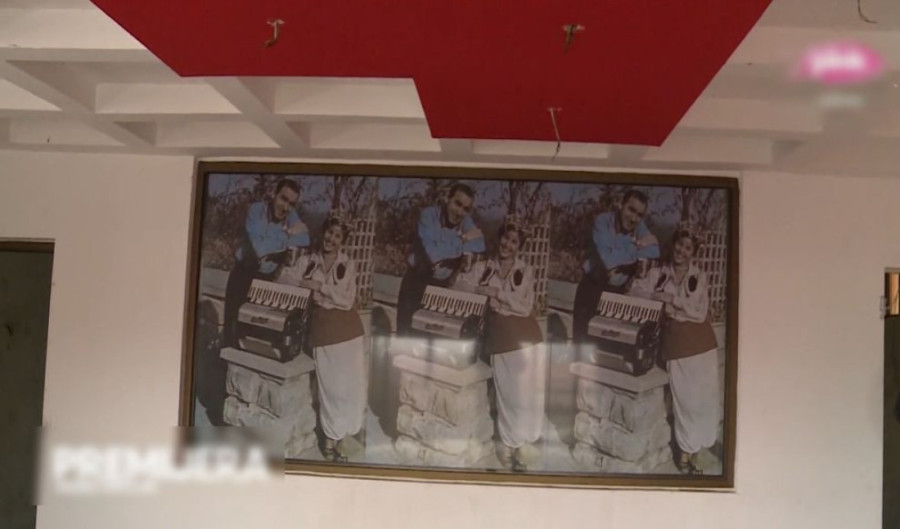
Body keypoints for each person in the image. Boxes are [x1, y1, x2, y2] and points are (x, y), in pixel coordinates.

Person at [455, 218, 545, 472]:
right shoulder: (484, 267)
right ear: (498, 239)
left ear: (519, 246)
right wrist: (476, 285)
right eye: (505, 238)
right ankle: (511, 446)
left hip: (529, 338)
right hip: (502, 338)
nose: (507, 244)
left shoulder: (525, 270)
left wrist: (497, 294)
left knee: (529, 395)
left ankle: (525, 447)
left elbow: (525, 307)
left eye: (514, 241)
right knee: (509, 397)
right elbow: (461, 286)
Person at [631, 224, 719, 475]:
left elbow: (699, 313)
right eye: (680, 244)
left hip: (703, 344)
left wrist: (672, 300)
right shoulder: (659, 273)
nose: (682, 251)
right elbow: (636, 291)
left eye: (688, 248)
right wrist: (656, 297)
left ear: (694, 252)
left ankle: (698, 451)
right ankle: (685, 454)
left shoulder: (698, 276)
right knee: (685, 402)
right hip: (677, 345)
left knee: (704, 401)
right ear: (673, 245)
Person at [279, 212, 365, 463]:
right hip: (323, 332)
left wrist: (321, 288)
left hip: (350, 332)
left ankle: (344, 438)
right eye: (329, 232)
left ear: (343, 241)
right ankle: (330, 440)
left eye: (337, 236)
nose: (331, 239)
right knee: (331, 390)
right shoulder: (308, 261)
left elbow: (347, 301)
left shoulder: (348, 264)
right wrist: (298, 278)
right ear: (322, 233)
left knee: (350, 388)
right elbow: (286, 280)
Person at [223, 178, 310, 348]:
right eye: (283, 199)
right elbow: (259, 249)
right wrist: (287, 234)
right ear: (273, 194)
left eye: (291, 204)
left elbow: (305, 238)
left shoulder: (290, 215)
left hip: (266, 280)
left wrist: (276, 239)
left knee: (256, 335)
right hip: (243, 276)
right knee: (233, 333)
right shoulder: (256, 210)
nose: (286, 207)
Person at [396, 183, 486, 334]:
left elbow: (480, 244)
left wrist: (444, 248)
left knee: (432, 337)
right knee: (406, 335)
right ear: (447, 198)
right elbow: (433, 254)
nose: (460, 212)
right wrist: (462, 239)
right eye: (457, 204)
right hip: (416, 283)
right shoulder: (429, 215)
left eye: (466, 209)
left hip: (441, 288)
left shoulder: (465, 221)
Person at [572, 189, 660, 342]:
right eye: (631, 210)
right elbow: (609, 260)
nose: (634, 218)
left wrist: (619, 251)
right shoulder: (603, 221)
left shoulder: (639, 227)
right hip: (592, 289)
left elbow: (654, 250)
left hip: (617, 293)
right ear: (620, 204)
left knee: (608, 344)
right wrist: (635, 245)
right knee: (582, 344)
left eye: (639, 215)